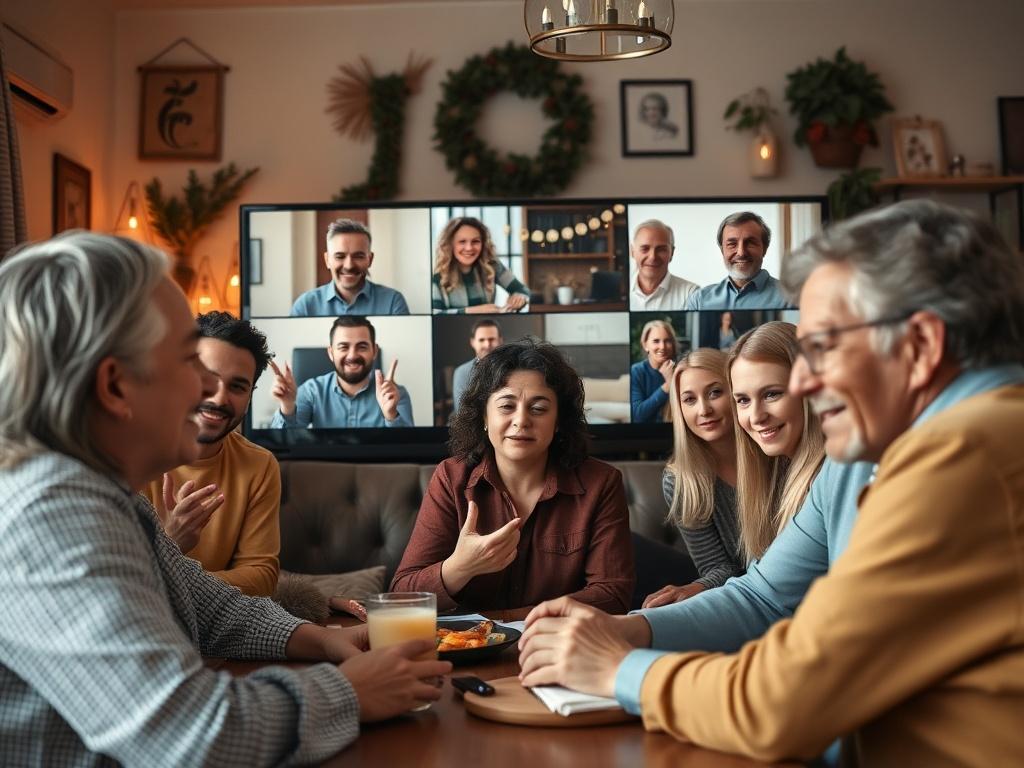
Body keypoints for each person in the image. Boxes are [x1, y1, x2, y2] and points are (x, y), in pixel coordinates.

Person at [517, 200, 1024, 764]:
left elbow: (783, 701)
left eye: (823, 347)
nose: (802, 383)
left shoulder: (969, 451)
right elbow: (762, 597)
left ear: (921, 346)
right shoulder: (865, 454)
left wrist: (618, 669)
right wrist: (626, 630)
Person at [0, 232, 450, 764]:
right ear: (115, 386)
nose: (207, 394)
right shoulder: (51, 517)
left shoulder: (105, 496)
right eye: (188, 362)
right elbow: (192, 734)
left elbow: (210, 606)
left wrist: (323, 640)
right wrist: (351, 692)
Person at [391, 340, 634, 619]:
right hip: (464, 644)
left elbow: (613, 594)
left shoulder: (601, 483)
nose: (521, 420)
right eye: (507, 406)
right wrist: (459, 567)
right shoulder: (451, 478)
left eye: (538, 408)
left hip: (558, 642)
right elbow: (400, 597)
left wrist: (506, 620)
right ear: (484, 417)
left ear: (558, 421)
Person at [142, 311, 281, 597]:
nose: (219, 398)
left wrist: (172, 573)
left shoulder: (259, 465)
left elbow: (261, 576)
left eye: (237, 386)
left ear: (250, 396)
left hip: (220, 621)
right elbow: (116, 580)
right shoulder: (130, 452)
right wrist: (171, 542)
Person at [642, 349, 738, 609]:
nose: (704, 409)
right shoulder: (680, 480)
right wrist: (695, 588)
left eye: (715, 392)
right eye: (689, 399)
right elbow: (716, 567)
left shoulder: (773, 452)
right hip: (740, 596)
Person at [726, 321, 825, 563]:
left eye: (771, 394)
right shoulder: (774, 474)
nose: (756, 417)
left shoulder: (829, 478)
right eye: (743, 400)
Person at [270, 315, 413, 429]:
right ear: (331, 353)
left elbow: (409, 448)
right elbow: (282, 445)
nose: (352, 356)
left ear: (374, 351)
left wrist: (391, 415)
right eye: (344, 347)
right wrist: (287, 406)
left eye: (362, 347)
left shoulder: (395, 395)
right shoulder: (310, 391)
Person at [290, 218, 410, 316]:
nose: (349, 265)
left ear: (370, 259)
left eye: (358, 256)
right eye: (340, 256)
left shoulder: (393, 302)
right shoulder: (305, 306)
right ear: (327, 260)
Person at [686, 211, 790, 310]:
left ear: (765, 249)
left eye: (750, 243)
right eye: (732, 244)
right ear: (722, 250)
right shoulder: (699, 301)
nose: (741, 253)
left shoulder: (790, 298)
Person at [432, 216, 531, 314]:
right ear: (451, 244)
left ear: (483, 244)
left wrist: (519, 297)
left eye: (475, 241)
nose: (469, 248)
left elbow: (523, 290)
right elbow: (434, 313)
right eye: (462, 242)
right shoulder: (437, 275)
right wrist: (471, 311)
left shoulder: (491, 265)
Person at [628, 219, 698, 311]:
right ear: (632, 251)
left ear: (672, 253)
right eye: (645, 249)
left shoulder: (690, 294)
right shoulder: (616, 292)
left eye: (661, 249)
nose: (652, 257)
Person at [451, 318, 503, 414]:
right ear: (473, 342)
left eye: (491, 339)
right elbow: (461, 410)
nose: (487, 345)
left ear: (500, 340)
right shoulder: (461, 372)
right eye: (481, 340)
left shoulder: (512, 369)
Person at [630, 319, 677, 423]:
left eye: (667, 341)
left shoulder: (680, 370)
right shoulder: (636, 371)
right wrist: (667, 386)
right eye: (656, 341)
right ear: (645, 345)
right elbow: (638, 415)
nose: (662, 347)